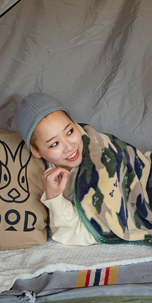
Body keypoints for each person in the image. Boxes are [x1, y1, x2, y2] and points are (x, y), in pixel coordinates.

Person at [15, 93, 97, 246]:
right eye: (54, 144)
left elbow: (101, 231)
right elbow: (75, 234)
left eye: (70, 132)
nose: (69, 147)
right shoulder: (47, 176)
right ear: (36, 152)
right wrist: (54, 198)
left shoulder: (98, 153)